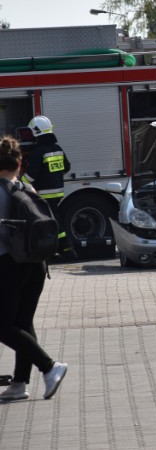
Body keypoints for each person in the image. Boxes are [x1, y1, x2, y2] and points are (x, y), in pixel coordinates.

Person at [0, 135, 69, 401]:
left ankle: (50, 367)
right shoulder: (26, 188)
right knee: (23, 322)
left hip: (9, 265)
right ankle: (19, 384)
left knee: (4, 326)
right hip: (37, 265)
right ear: (20, 162)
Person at [20, 116, 72, 257]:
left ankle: (61, 246)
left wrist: (19, 182)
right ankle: (64, 246)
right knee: (55, 217)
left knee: (48, 221)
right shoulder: (57, 148)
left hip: (44, 193)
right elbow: (66, 167)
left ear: (36, 132)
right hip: (58, 191)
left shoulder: (38, 151)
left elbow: (31, 176)